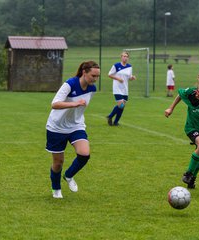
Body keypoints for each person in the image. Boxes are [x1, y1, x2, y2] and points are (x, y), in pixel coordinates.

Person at [45, 60, 100, 199]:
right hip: (56, 127)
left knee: (84, 154)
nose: (95, 79)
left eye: (97, 76)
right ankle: (56, 188)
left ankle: (69, 175)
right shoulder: (70, 84)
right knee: (58, 163)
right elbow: (54, 104)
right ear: (84, 72)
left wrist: (77, 112)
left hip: (76, 126)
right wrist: (75, 104)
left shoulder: (92, 89)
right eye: (93, 76)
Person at [164, 68, 199, 189]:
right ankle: (188, 173)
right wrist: (170, 108)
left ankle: (191, 179)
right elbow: (180, 95)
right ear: (198, 79)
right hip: (192, 127)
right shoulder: (191, 91)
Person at [106, 51, 136, 126]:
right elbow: (109, 75)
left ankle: (116, 122)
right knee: (121, 105)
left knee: (122, 107)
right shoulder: (116, 65)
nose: (125, 58)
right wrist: (118, 78)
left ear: (128, 58)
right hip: (117, 88)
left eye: (126, 56)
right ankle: (110, 116)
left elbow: (129, 77)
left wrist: (132, 77)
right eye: (124, 56)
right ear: (121, 57)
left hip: (125, 89)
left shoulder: (129, 67)